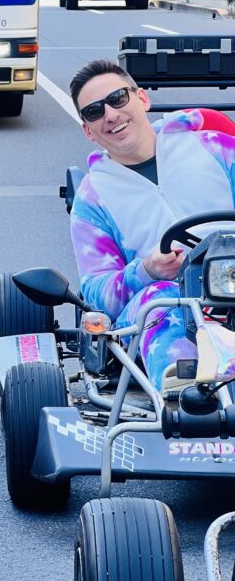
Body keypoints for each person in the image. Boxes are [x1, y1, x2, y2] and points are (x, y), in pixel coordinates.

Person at [69, 59, 235, 390]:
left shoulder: (216, 148)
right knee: (160, 299)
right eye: (94, 111)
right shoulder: (92, 199)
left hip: (228, 277)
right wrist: (147, 270)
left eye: (117, 99)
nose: (111, 115)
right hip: (168, 303)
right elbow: (98, 295)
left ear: (141, 99)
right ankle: (187, 395)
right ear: (88, 130)